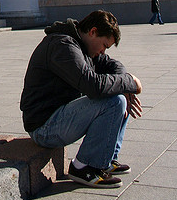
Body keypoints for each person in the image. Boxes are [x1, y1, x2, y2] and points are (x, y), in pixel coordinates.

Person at [20, 10, 142, 188]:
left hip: (59, 116)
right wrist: (130, 82)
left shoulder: (84, 46)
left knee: (120, 94)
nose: (103, 51)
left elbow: (113, 65)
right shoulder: (63, 46)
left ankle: (105, 160)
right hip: (44, 127)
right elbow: (92, 86)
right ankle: (84, 166)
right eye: (104, 45)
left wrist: (126, 84)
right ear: (93, 32)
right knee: (115, 102)